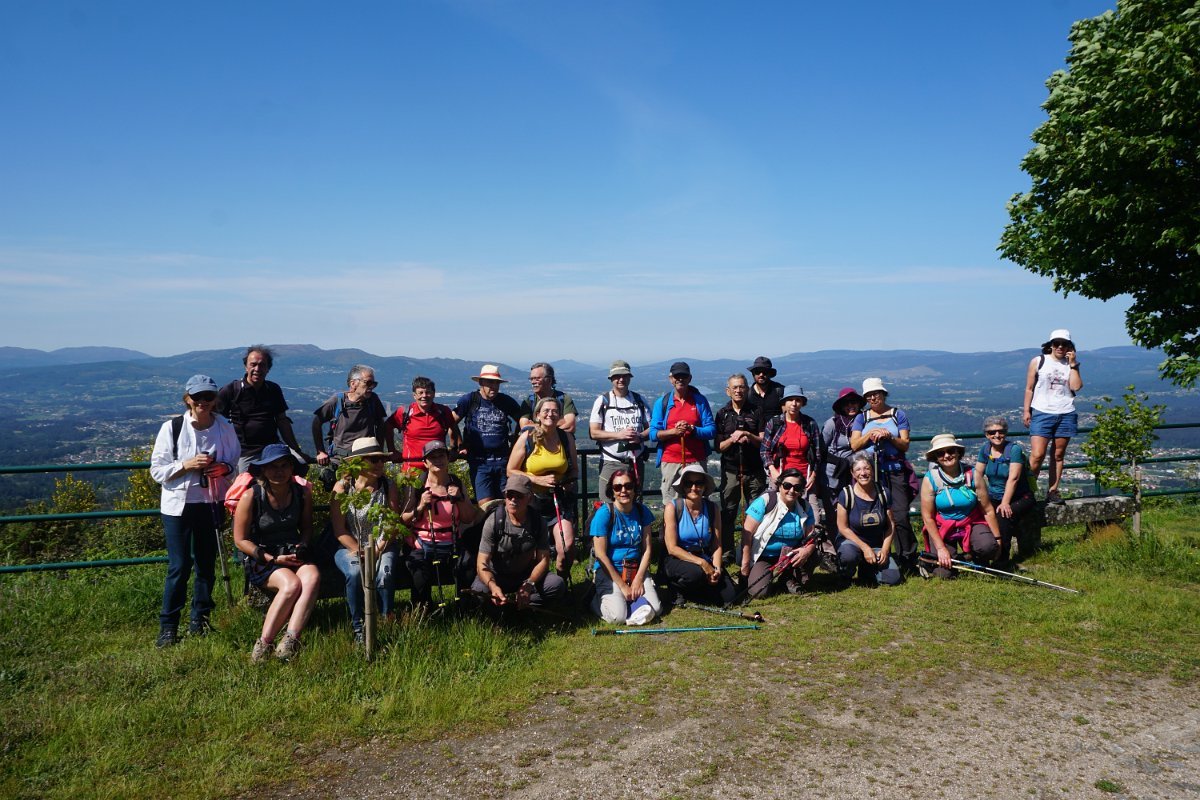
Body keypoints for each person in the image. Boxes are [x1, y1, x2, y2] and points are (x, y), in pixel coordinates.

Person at [149, 375, 240, 647]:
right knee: (179, 566)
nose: (203, 402)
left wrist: (224, 469)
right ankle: (169, 626)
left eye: (209, 397)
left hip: (211, 502)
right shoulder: (172, 427)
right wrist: (187, 465)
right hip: (178, 506)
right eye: (197, 397)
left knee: (205, 565)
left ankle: (199, 619)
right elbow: (157, 471)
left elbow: (234, 464)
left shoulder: (225, 427)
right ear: (187, 398)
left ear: (215, 400)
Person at [232, 444, 318, 662]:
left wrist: (302, 546)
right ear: (263, 471)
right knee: (291, 585)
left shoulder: (303, 493)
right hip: (262, 556)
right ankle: (264, 644)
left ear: (292, 469)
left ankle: (290, 640)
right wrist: (271, 558)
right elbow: (240, 540)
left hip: (292, 551)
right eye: (272, 467)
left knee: (312, 577)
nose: (278, 471)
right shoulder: (251, 496)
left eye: (284, 466)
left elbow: (307, 528)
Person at [329, 438, 402, 643]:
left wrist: (377, 550)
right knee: (354, 572)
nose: (379, 464)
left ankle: (387, 621)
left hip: (383, 544)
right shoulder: (342, 488)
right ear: (358, 462)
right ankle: (359, 627)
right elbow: (339, 529)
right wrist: (360, 551)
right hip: (348, 545)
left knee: (384, 574)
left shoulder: (388, 486)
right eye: (373, 459)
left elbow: (392, 524)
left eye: (381, 460)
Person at [401, 440, 480, 607]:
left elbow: (469, 517)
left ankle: (466, 610)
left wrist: (460, 499)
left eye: (441, 455)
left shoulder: (456, 483)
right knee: (420, 574)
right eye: (433, 457)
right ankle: (422, 613)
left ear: (448, 458)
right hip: (421, 543)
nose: (438, 460)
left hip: (452, 542)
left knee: (467, 566)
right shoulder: (417, 484)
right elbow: (403, 519)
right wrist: (421, 506)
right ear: (425, 462)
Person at [849, 378, 917, 570]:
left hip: (895, 471)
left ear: (883, 394)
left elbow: (905, 444)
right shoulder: (862, 418)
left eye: (876, 394)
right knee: (875, 515)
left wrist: (889, 436)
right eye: (869, 395)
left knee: (900, 515)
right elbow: (854, 445)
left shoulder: (898, 415)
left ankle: (907, 558)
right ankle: (877, 556)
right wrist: (870, 436)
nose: (873, 398)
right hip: (871, 473)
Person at [472, 474, 567, 609]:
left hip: (525, 574)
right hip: (496, 575)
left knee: (556, 585)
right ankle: (502, 608)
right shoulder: (494, 521)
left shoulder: (537, 522)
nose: (513, 500)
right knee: (478, 592)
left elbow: (543, 560)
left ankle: (523, 606)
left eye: (519, 496)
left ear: (529, 498)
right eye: (509, 495)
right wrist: (492, 585)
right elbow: (482, 562)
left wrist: (529, 583)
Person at [507, 396, 578, 576]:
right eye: (546, 411)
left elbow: (574, 470)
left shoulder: (566, 438)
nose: (550, 414)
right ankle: (536, 583)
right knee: (531, 550)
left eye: (555, 411)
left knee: (567, 546)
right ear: (537, 415)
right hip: (531, 501)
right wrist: (536, 480)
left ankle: (561, 578)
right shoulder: (527, 438)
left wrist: (566, 482)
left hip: (558, 499)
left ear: (560, 415)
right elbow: (510, 470)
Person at [919, 434, 1002, 579]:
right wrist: (940, 548)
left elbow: (988, 509)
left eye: (951, 451)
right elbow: (928, 517)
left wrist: (998, 539)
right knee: (944, 574)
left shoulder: (973, 475)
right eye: (941, 453)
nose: (946, 455)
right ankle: (953, 559)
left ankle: (975, 557)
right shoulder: (930, 479)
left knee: (988, 547)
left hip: (971, 521)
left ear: (958, 453)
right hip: (943, 526)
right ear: (936, 457)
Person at [216, 345, 308, 473]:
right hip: (245, 452)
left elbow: (282, 421)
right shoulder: (231, 390)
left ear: (268, 369)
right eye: (253, 364)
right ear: (246, 366)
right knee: (245, 483)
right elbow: (215, 421)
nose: (257, 369)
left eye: (262, 365)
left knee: (300, 466)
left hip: (273, 447)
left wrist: (296, 450)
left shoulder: (273, 389)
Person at [589, 470, 661, 625]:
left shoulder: (642, 512)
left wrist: (639, 579)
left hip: (634, 569)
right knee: (618, 617)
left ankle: (626, 600)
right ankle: (595, 600)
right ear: (612, 491)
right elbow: (600, 555)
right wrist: (622, 586)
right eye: (618, 487)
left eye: (628, 486)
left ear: (634, 489)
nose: (623, 491)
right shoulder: (604, 514)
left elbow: (647, 549)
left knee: (656, 608)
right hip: (609, 571)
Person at [662, 465, 737, 606]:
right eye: (689, 483)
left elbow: (716, 543)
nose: (694, 487)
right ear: (683, 486)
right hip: (678, 558)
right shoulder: (673, 508)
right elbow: (672, 548)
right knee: (696, 574)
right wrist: (703, 564)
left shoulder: (712, 508)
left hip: (704, 555)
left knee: (729, 597)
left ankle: (694, 591)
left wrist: (716, 569)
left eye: (698, 483)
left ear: (704, 486)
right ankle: (676, 587)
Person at [1023, 329, 1083, 504]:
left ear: (1070, 347)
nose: (1060, 347)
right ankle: (1027, 491)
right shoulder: (1038, 361)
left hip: (1066, 412)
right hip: (1042, 411)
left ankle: (1053, 491)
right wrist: (1026, 410)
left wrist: (1073, 365)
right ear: (1050, 344)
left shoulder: (1071, 365)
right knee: (1037, 455)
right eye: (1057, 343)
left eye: (1064, 344)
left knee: (1058, 455)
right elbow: (1029, 388)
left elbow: (1076, 386)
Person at [741, 468, 819, 598]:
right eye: (787, 486)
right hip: (763, 555)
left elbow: (811, 537)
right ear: (779, 485)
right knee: (759, 593)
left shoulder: (805, 507)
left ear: (801, 490)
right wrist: (745, 564)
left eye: (797, 487)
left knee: (814, 553)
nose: (792, 491)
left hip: (790, 557)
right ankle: (768, 578)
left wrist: (806, 551)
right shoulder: (765, 501)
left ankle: (789, 579)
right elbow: (746, 534)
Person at [453, 364, 523, 504]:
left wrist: (516, 444)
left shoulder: (506, 401)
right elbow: (451, 421)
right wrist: (458, 445)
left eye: (496, 383)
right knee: (486, 505)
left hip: (503, 461)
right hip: (479, 462)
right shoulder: (470, 400)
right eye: (490, 382)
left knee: (507, 502)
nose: (494, 386)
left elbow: (523, 421)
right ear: (481, 383)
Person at [649, 362, 716, 504]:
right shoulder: (662, 403)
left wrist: (693, 430)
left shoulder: (699, 401)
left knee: (697, 503)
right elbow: (653, 434)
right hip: (670, 461)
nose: (680, 379)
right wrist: (674, 432)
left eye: (684, 376)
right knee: (671, 505)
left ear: (689, 378)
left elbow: (711, 430)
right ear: (671, 379)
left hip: (696, 459)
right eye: (677, 376)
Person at [311, 365, 389, 488]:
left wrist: (378, 452)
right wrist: (320, 451)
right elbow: (317, 422)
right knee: (342, 495)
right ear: (353, 384)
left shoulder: (373, 400)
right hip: (341, 460)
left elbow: (380, 424)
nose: (371, 387)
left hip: (366, 459)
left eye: (374, 384)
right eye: (368, 383)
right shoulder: (337, 401)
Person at [714, 374, 765, 560]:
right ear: (728, 391)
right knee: (728, 513)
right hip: (731, 471)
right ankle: (727, 553)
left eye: (742, 387)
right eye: (734, 387)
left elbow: (763, 442)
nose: (738, 390)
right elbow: (718, 447)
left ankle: (755, 550)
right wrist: (732, 439)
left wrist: (748, 436)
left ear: (747, 389)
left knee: (757, 512)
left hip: (754, 470)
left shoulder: (757, 412)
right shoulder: (722, 414)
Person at [975, 416, 1036, 566]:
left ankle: (1002, 559)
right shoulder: (985, 449)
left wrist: (1005, 503)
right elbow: (977, 474)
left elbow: (1013, 478)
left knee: (1002, 516)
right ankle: (981, 554)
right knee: (978, 514)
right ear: (986, 435)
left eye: (1001, 431)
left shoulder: (1014, 450)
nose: (996, 435)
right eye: (992, 432)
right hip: (995, 495)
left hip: (1020, 496)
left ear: (1006, 432)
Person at [759, 385, 824, 524]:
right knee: (775, 516)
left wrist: (813, 475)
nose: (794, 404)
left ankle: (810, 545)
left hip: (805, 478)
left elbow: (818, 453)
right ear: (784, 403)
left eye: (798, 400)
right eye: (790, 400)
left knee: (814, 519)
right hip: (779, 476)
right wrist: (772, 470)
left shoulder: (809, 424)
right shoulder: (775, 423)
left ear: (802, 403)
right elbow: (764, 450)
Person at [834, 454, 901, 586]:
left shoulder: (883, 493)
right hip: (852, 543)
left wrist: (885, 550)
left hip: (876, 544)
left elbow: (890, 525)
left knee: (893, 579)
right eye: (858, 470)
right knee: (849, 556)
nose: (863, 473)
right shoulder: (846, 494)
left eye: (867, 468)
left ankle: (867, 570)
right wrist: (865, 548)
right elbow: (842, 527)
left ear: (873, 470)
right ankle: (846, 575)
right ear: (852, 474)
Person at [588, 359, 651, 491]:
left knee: (635, 502)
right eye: (617, 376)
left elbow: (652, 428)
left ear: (630, 378)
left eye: (624, 376)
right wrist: (619, 435)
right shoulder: (603, 401)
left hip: (636, 461)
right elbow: (594, 432)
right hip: (611, 462)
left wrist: (639, 436)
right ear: (611, 379)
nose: (621, 379)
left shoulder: (639, 400)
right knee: (609, 503)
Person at [385, 376, 460, 472]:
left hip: (438, 467)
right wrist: (392, 451)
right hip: (412, 469)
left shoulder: (443, 412)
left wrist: (454, 448)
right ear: (414, 396)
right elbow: (387, 426)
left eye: (428, 392)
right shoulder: (405, 412)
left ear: (433, 394)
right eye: (420, 393)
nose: (424, 396)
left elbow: (453, 427)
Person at [822, 386, 864, 522]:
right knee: (833, 514)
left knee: (854, 511)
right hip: (833, 476)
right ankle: (836, 542)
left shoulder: (864, 422)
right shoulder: (832, 424)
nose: (851, 406)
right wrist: (838, 461)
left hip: (856, 475)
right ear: (841, 406)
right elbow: (821, 448)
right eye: (847, 403)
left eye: (854, 402)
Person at [519, 362, 578, 432]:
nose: (533, 382)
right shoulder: (529, 402)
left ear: (549, 380)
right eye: (531, 379)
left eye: (537, 378)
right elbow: (524, 427)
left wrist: (536, 425)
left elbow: (570, 426)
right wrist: (558, 422)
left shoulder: (564, 399)